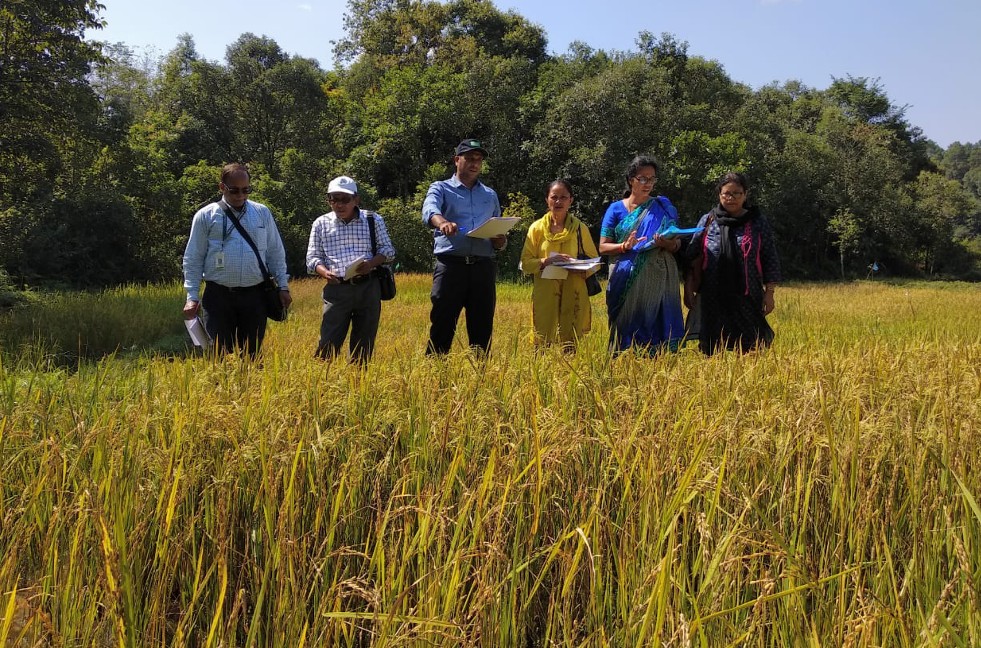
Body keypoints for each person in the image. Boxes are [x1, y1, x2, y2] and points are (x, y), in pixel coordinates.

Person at [182, 163, 291, 356]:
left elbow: (275, 252)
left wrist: (283, 286)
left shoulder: (262, 213)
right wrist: (192, 297)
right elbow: (193, 258)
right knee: (219, 353)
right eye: (234, 190)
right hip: (218, 297)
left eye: (246, 189)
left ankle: (252, 386)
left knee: (252, 353)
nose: (241, 195)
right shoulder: (205, 216)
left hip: (255, 295)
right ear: (222, 187)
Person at [422, 138, 507, 355]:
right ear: (456, 160)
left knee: (482, 327)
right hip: (451, 267)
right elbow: (430, 210)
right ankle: (435, 375)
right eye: (469, 158)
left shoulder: (489, 195)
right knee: (442, 323)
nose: (474, 163)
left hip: (483, 267)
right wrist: (442, 223)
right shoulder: (440, 188)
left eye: (478, 159)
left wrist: (500, 241)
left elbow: (497, 227)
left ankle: (480, 377)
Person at [598, 155, 686, 354]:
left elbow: (677, 243)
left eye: (652, 178)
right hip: (625, 276)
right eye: (642, 179)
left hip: (660, 276)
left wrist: (669, 244)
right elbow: (603, 247)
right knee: (624, 329)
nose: (648, 183)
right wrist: (624, 246)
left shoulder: (663, 206)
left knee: (658, 327)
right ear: (631, 180)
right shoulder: (615, 209)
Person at [686, 172, 781, 355]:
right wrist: (689, 287)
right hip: (712, 295)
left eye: (737, 193)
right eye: (726, 194)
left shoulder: (757, 221)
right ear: (719, 194)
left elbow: (770, 257)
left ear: (745, 194)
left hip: (747, 294)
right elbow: (692, 255)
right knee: (712, 347)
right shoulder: (708, 220)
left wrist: (769, 293)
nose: (731, 198)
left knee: (750, 346)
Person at [306, 175, 396, 363]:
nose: (339, 205)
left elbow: (388, 251)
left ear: (356, 199)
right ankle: (321, 385)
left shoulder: (373, 220)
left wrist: (370, 264)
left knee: (363, 345)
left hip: (368, 287)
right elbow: (312, 258)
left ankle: (358, 385)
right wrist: (324, 272)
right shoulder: (321, 223)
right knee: (328, 343)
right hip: (337, 288)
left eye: (345, 199)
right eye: (334, 199)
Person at [520, 179, 600, 349]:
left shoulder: (580, 228)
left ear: (570, 200)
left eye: (563, 197)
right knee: (542, 340)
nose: (558, 201)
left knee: (570, 343)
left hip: (574, 290)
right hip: (545, 292)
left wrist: (579, 268)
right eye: (554, 197)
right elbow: (525, 264)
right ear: (546, 200)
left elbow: (595, 261)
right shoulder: (536, 228)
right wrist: (546, 261)